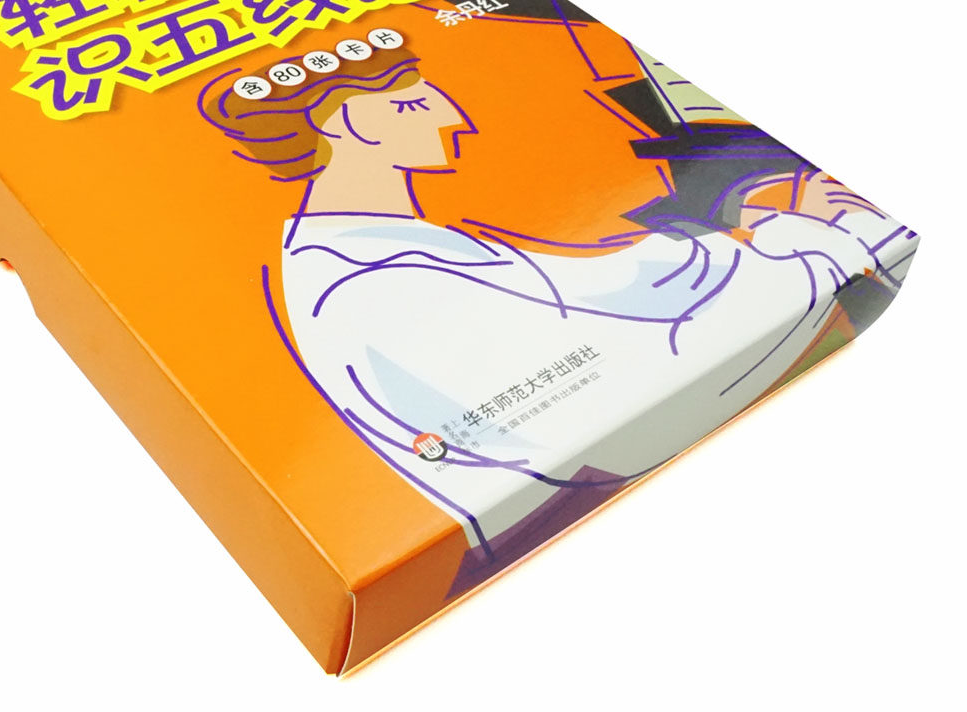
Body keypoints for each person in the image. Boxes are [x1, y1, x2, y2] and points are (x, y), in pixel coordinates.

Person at [198, 34, 916, 582]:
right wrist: (825, 241)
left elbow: (609, 283)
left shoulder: (391, 248)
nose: (453, 116)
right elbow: (621, 412)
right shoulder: (372, 285)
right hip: (555, 510)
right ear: (348, 127)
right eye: (413, 104)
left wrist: (760, 228)